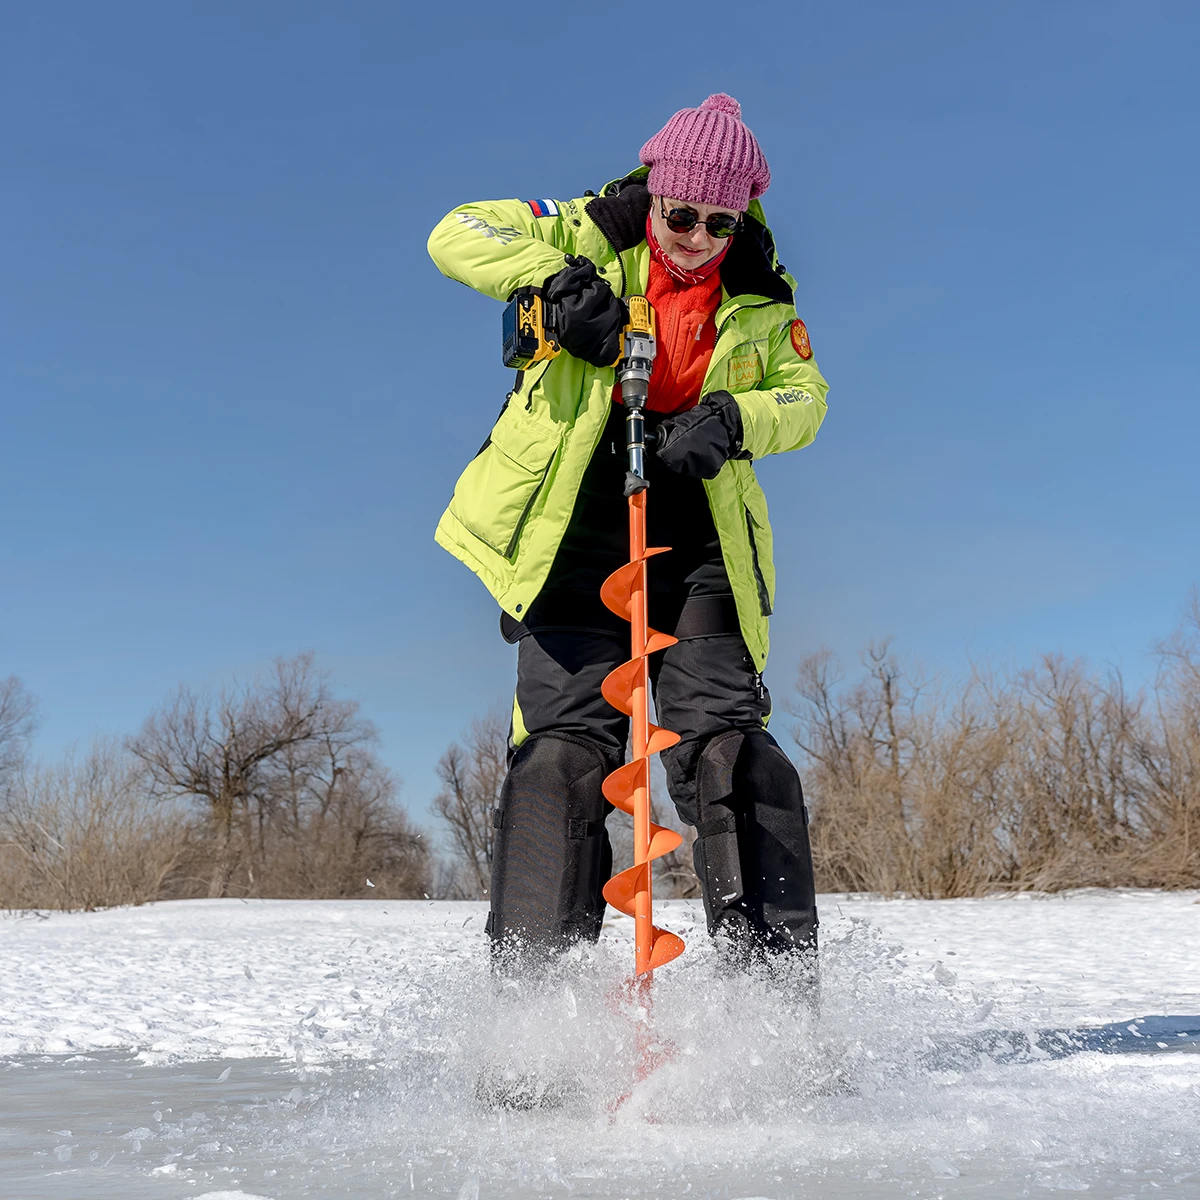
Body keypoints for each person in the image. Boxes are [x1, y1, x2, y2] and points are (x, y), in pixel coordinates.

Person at [428, 94, 829, 975]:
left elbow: (806, 397)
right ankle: (534, 1005)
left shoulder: (763, 292)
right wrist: (557, 284)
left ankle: (775, 998)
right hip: (571, 536)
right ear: (656, 193)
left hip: (697, 544)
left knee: (732, 750)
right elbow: (456, 231)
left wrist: (734, 419)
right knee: (561, 755)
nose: (696, 237)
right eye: (680, 214)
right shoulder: (584, 230)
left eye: (719, 222)